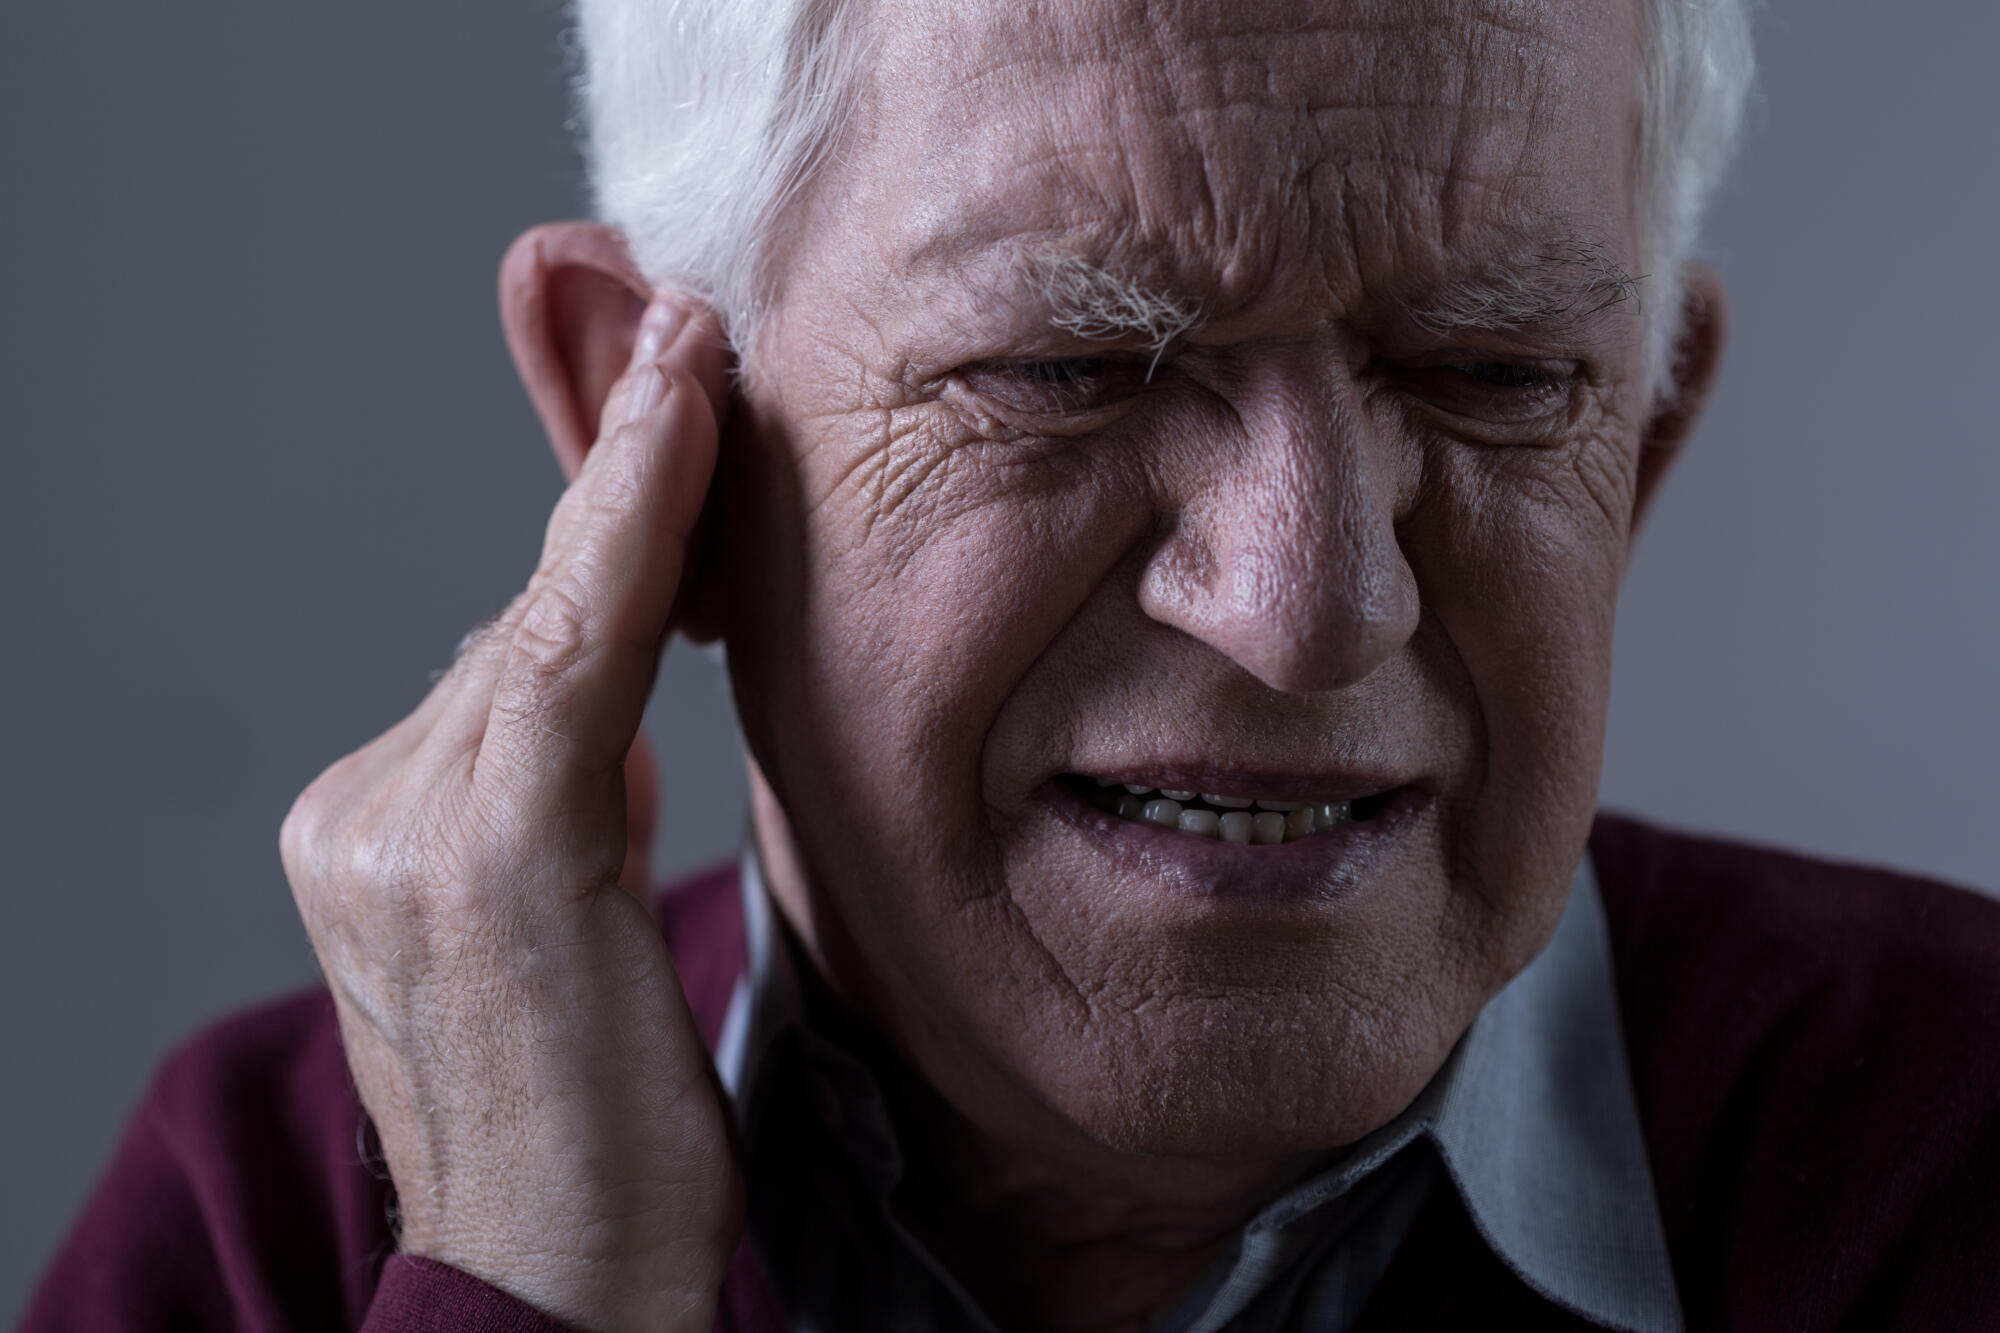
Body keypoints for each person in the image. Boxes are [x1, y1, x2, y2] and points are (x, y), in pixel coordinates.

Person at [22, 0, 2000, 1329]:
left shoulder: (1943, 1153)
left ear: (1636, 445)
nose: (1313, 605)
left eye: (1492, 380)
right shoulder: (274, 1227)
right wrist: (534, 1285)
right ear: (659, 440)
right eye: (1072, 368)